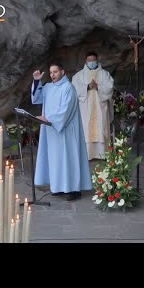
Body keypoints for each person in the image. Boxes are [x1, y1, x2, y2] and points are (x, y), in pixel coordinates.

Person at [31, 62, 92, 201]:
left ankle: (73, 189)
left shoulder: (68, 88)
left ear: (62, 72)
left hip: (66, 131)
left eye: (55, 72)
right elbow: (36, 99)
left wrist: (48, 118)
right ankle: (58, 187)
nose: (53, 75)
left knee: (68, 159)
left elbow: (66, 110)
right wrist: (36, 81)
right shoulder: (47, 87)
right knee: (56, 160)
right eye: (51, 72)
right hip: (52, 132)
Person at [72, 51, 114, 160]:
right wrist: (87, 87)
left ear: (97, 60)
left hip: (100, 107)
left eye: (93, 60)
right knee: (86, 129)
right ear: (85, 61)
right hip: (86, 108)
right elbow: (74, 89)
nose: (91, 62)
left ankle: (102, 154)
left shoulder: (105, 74)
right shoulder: (79, 75)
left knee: (101, 128)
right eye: (89, 60)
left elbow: (109, 88)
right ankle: (87, 154)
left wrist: (98, 86)